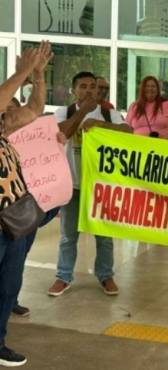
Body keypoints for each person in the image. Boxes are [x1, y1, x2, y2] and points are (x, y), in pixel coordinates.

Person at [48, 71, 133, 298]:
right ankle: (63, 276)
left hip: (101, 187)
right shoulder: (63, 112)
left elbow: (128, 132)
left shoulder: (108, 113)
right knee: (68, 236)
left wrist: (99, 124)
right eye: (83, 86)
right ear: (73, 90)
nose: (88, 90)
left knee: (104, 235)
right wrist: (83, 112)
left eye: (92, 86)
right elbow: (60, 133)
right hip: (72, 185)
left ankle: (106, 275)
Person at [0, 40, 52, 367]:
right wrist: (22, 72)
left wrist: (39, 77)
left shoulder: (4, 128)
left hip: (14, 223)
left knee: (8, 287)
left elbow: (35, 109)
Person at [126, 76, 168, 140]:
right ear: (142, 89)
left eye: (153, 86)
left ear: (158, 89)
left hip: (162, 147)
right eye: (147, 86)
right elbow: (127, 128)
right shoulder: (134, 106)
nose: (150, 89)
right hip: (138, 147)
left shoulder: (167, 104)